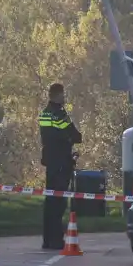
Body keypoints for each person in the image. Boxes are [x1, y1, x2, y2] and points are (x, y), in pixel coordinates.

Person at [38, 83, 82, 250]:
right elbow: (76, 135)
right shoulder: (60, 115)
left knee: (50, 201)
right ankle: (57, 240)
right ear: (57, 95)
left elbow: (49, 137)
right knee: (59, 202)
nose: (64, 98)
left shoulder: (44, 114)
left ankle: (47, 240)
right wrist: (71, 139)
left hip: (50, 161)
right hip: (62, 162)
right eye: (63, 95)